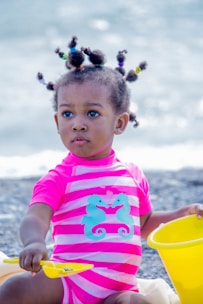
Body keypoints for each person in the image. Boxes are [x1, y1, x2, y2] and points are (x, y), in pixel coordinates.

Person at [0, 36, 202, 304]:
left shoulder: (131, 174)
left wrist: (179, 215)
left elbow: (142, 224)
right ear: (57, 120)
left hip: (118, 289)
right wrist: (34, 242)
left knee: (135, 303)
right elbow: (35, 218)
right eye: (68, 114)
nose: (78, 124)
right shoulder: (59, 178)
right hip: (69, 281)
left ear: (119, 123)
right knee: (16, 288)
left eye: (92, 113)